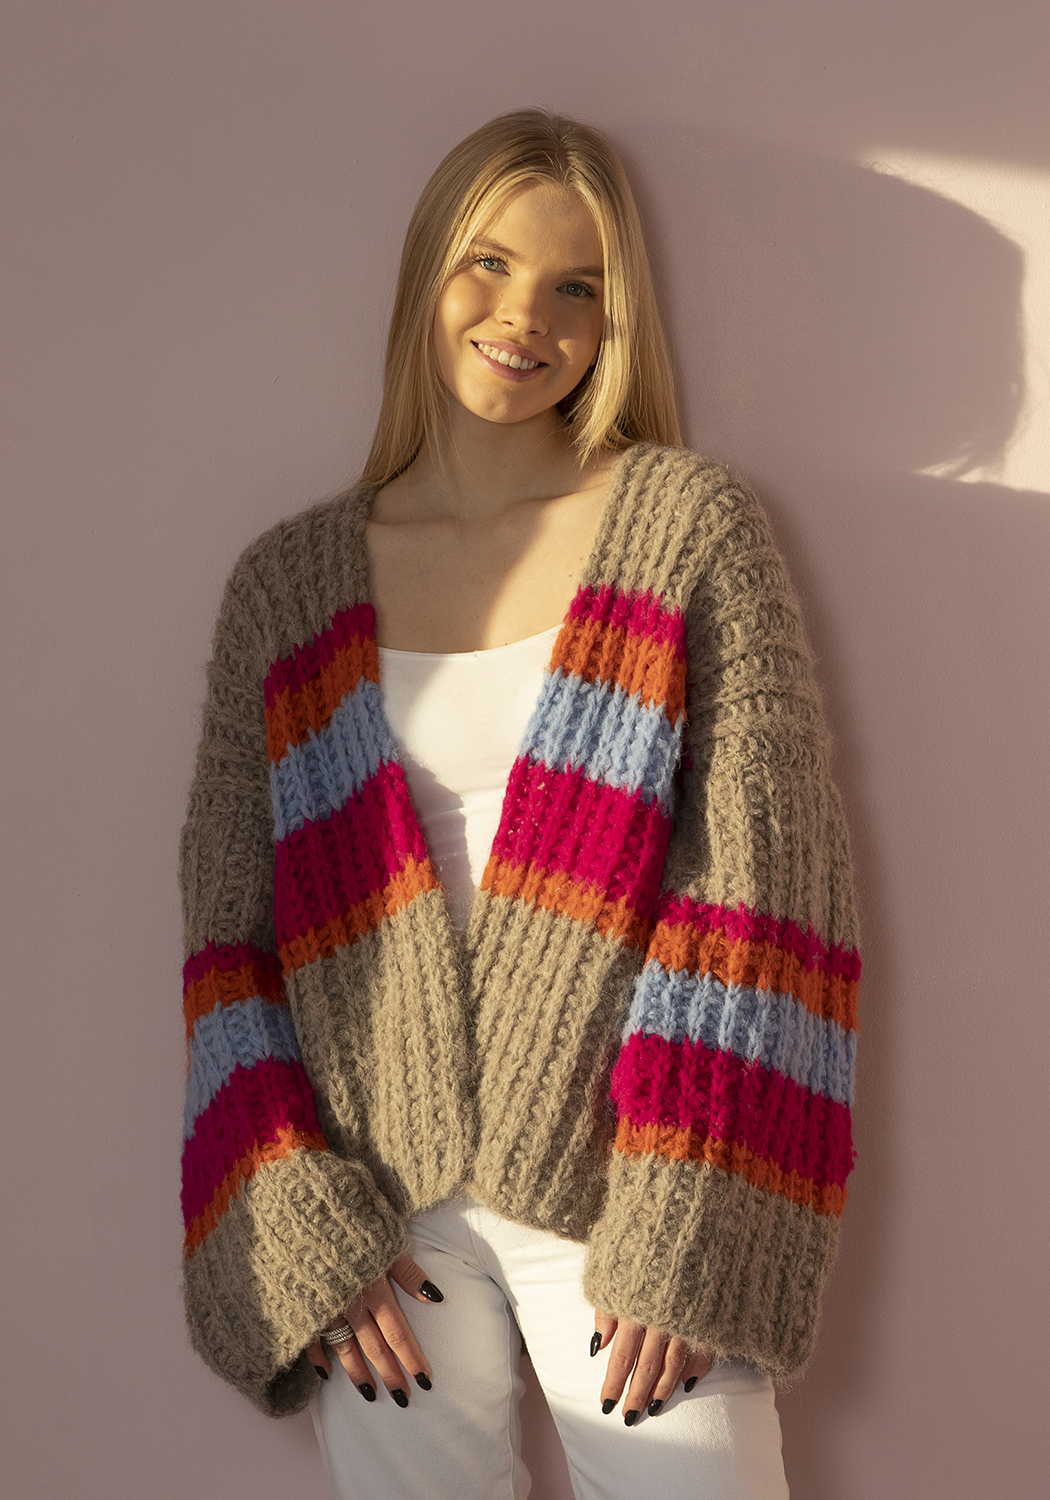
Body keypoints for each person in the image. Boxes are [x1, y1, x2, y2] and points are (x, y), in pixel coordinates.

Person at [179, 109, 860, 1500]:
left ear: (613, 324)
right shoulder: (285, 589)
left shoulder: (688, 530)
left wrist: (689, 1207)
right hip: (379, 1226)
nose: (523, 317)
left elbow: (760, 882)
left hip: (627, 1190)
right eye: (487, 264)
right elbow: (225, 941)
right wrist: (297, 1216)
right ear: (426, 272)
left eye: (575, 286)